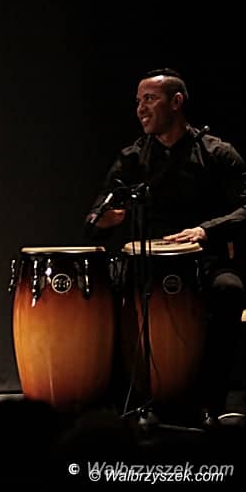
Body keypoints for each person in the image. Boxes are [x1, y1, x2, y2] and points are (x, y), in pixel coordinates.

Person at [84, 68, 246, 426]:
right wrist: (102, 219)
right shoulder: (133, 158)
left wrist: (204, 231)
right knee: (101, 293)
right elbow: (95, 216)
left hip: (204, 260)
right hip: (146, 265)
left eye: (149, 99)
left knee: (230, 291)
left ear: (176, 102)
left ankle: (211, 403)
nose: (140, 109)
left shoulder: (218, 154)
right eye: (138, 101)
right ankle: (125, 402)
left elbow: (245, 209)